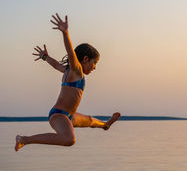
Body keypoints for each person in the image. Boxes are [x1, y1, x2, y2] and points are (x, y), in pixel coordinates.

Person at [15, 13, 120, 151]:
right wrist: (65, 33)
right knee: (69, 139)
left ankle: (105, 125)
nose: (95, 67)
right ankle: (24, 139)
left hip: (70, 116)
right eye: (94, 63)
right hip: (59, 115)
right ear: (85, 59)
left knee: (89, 120)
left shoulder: (67, 70)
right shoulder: (76, 70)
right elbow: (71, 52)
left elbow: (54, 64)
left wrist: (45, 56)